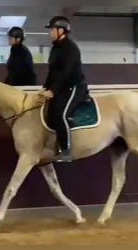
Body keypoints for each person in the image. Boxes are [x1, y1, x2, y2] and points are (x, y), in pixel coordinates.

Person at [37, 16, 89, 162]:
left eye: (52, 30)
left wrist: (52, 91)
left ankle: (66, 151)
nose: (50, 33)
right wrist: (44, 88)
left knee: (61, 114)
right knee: (51, 114)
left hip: (75, 87)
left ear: (61, 30)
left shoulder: (70, 49)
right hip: (62, 88)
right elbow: (52, 72)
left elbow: (65, 73)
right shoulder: (55, 49)